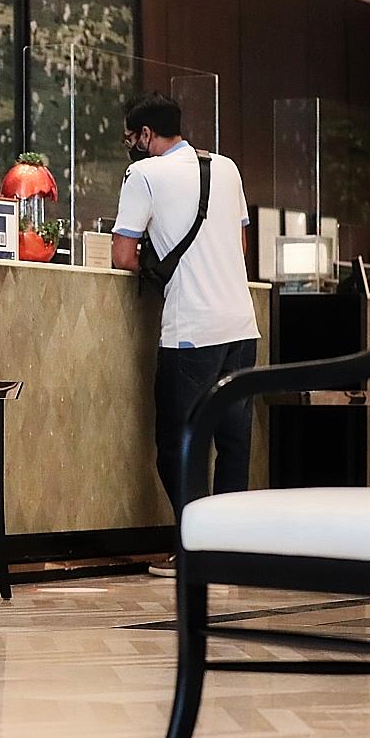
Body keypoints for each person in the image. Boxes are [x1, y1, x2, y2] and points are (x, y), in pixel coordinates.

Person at [110, 92, 259, 577]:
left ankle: (193, 547)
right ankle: (226, 549)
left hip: (191, 329)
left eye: (131, 138)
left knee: (178, 445)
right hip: (241, 326)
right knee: (232, 442)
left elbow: (122, 255)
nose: (131, 147)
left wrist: (157, 265)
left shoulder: (143, 175)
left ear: (146, 134)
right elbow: (240, 244)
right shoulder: (226, 167)